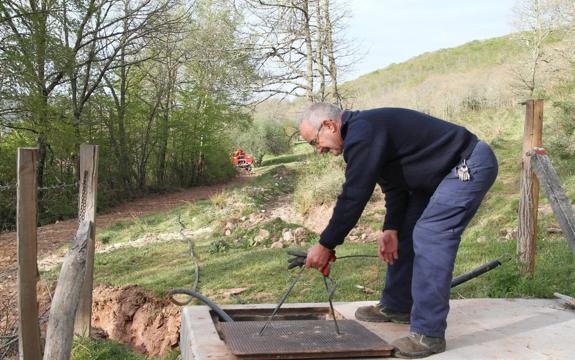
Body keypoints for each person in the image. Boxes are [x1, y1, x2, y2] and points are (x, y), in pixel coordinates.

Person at [299, 103, 498, 359]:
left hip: (467, 165)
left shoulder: (364, 132)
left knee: (430, 234)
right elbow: (395, 185)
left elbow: (354, 195)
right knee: (405, 232)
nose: (318, 150)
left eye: (314, 142)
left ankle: (429, 334)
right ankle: (397, 306)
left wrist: (326, 244)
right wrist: (391, 228)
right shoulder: (365, 134)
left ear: (329, 125)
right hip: (435, 177)